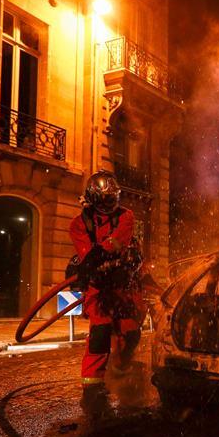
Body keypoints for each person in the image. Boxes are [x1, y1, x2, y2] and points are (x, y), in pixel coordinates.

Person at [69, 170, 161, 419]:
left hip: (125, 285)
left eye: (113, 198)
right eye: (105, 199)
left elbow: (120, 238)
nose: (110, 204)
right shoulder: (79, 224)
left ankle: (121, 368)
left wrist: (106, 253)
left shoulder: (126, 216)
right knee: (99, 335)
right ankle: (92, 390)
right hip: (100, 288)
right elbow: (87, 253)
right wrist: (91, 262)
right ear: (93, 199)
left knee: (131, 333)